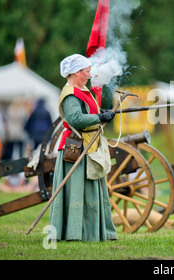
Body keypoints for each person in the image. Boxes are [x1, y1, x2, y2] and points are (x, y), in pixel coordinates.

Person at [48, 53, 117, 242]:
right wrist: (99, 118)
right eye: (87, 71)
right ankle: (74, 233)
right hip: (76, 148)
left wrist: (100, 114)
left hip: (88, 144)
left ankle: (91, 233)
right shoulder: (70, 93)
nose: (89, 74)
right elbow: (75, 119)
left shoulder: (83, 90)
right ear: (77, 72)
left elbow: (87, 113)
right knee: (76, 191)